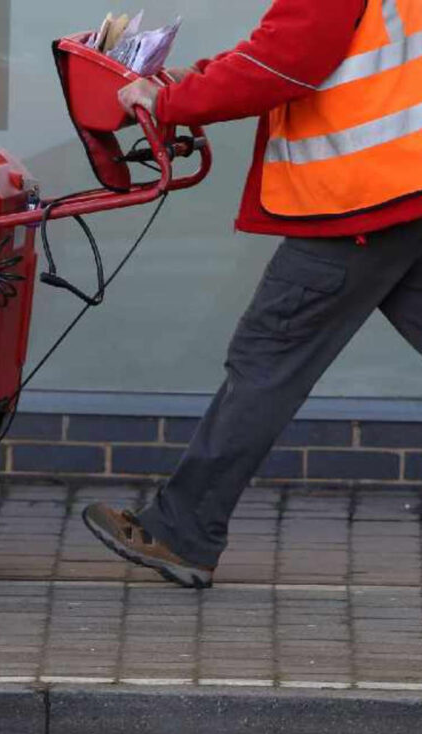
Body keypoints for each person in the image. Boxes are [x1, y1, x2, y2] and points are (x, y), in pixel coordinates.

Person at [83, 0, 422, 589]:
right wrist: (190, 80)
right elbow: (287, 47)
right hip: (405, 186)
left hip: (360, 200)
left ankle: (182, 532)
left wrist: (167, 103)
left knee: (267, 360)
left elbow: (281, 64)